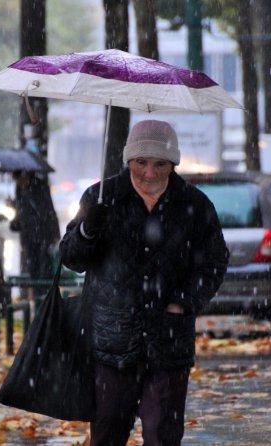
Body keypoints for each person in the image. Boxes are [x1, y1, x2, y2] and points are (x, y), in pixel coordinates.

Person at [60, 120, 229, 446]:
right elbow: (71, 258)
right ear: (128, 160)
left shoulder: (194, 205)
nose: (149, 173)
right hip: (112, 346)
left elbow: (214, 262)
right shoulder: (101, 197)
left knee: (163, 436)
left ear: (173, 163)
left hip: (169, 346)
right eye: (141, 163)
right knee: (108, 436)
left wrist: (184, 301)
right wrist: (86, 230)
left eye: (160, 164)